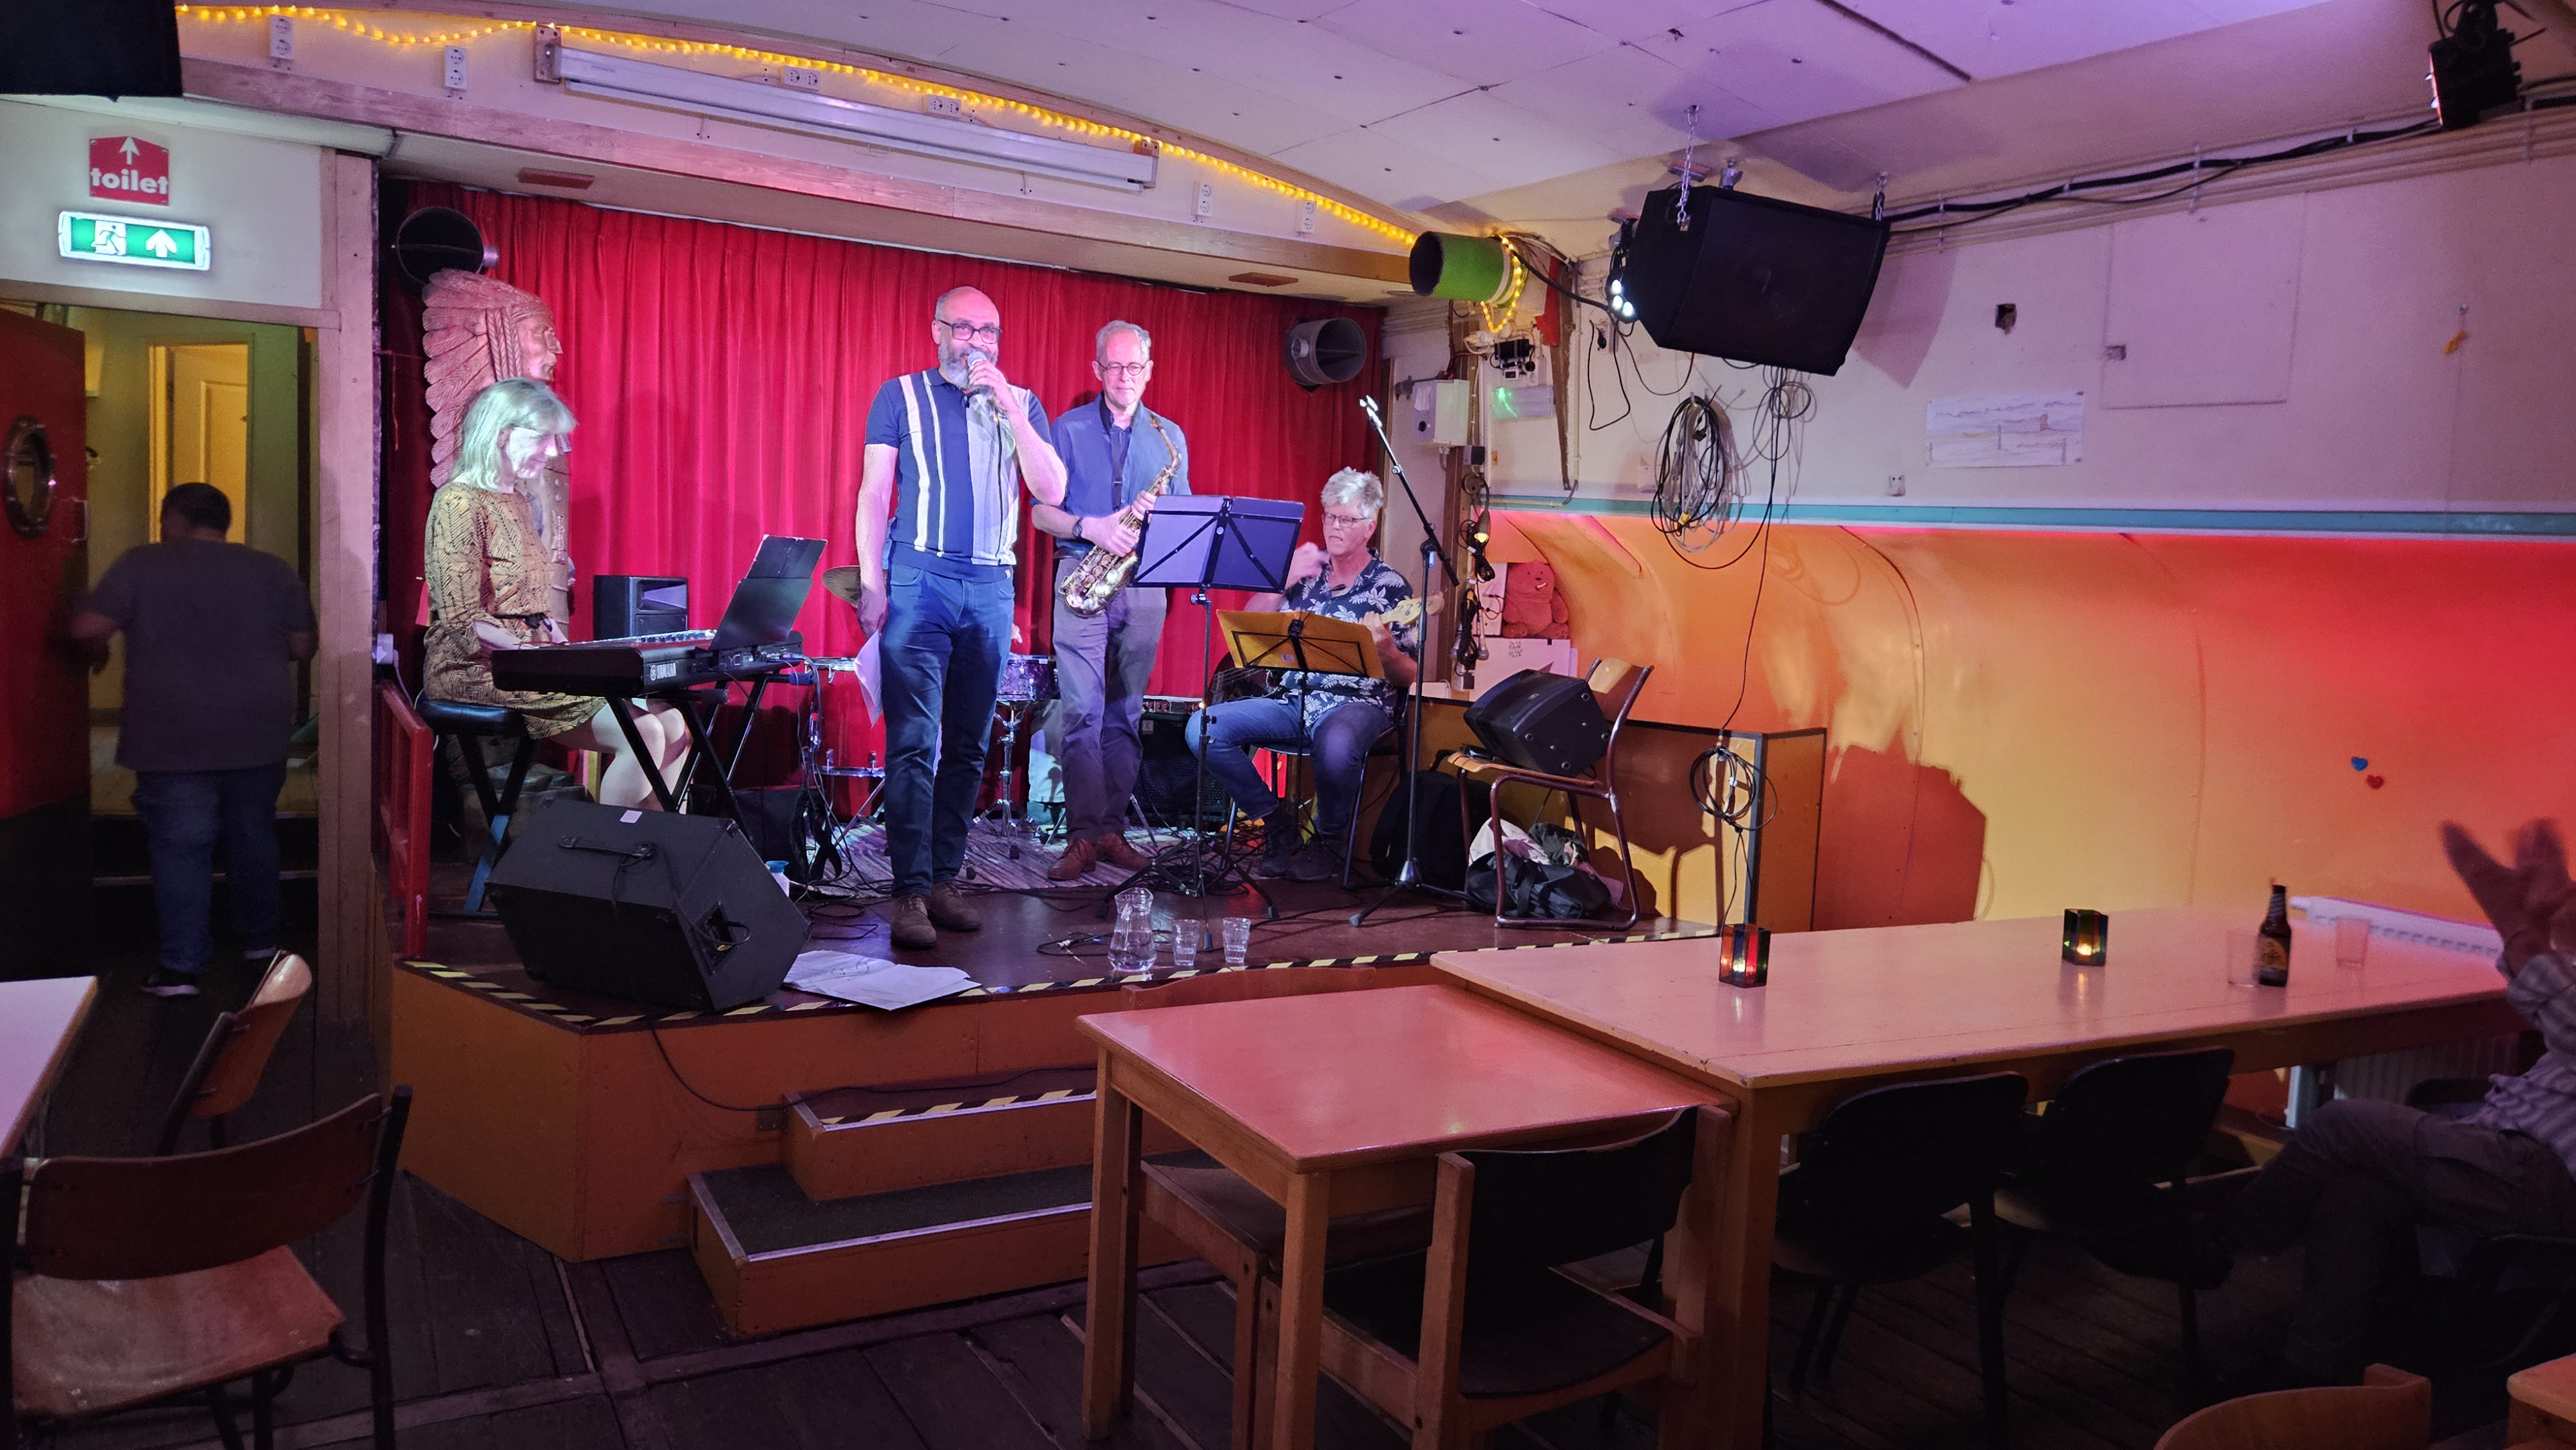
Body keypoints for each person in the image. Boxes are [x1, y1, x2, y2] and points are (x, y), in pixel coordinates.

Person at [2233, 818, 2576, 1384]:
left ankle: (2225, 1242)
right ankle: (2311, 1376)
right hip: (2505, 1140)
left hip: (2551, 1173)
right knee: (2356, 1192)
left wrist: (2518, 926)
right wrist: (2546, 923)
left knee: (2341, 1123)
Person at [853, 285, 1068, 948]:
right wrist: (871, 580)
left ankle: (945, 878)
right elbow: (874, 493)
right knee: (915, 740)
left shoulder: (1019, 402)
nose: (977, 342)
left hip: (990, 582)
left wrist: (1011, 407)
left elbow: (1052, 489)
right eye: (966, 329)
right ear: (938, 331)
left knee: (970, 743)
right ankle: (909, 890)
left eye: (989, 331)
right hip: (920, 577)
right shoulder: (899, 395)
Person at [70, 484, 316, 997]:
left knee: (181, 846)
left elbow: (87, 626)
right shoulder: (270, 570)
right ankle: (261, 947)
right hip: (255, 731)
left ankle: (182, 968)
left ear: (172, 519)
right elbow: (301, 645)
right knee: (253, 837)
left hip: (170, 735)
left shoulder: (142, 564)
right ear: (224, 522)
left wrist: (99, 647)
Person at [423, 378, 689, 812]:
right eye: (542, 438)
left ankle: (653, 846)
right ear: (502, 434)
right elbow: (462, 621)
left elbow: (527, 602)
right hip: (474, 669)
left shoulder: (517, 501)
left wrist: (557, 645)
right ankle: (607, 852)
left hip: (526, 662)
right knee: (644, 732)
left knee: (674, 726)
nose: (551, 451)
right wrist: (538, 660)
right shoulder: (459, 503)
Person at [1186, 467, 1417, 883]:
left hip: (1358, 704)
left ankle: (1328, 838)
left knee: (1336, 743)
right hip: (1292, 699)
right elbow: (1248, 632)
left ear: (1370, 526)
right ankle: (1276, 824)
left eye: (1346, 519)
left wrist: (1385, 650)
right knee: (1203, 728)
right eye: (1330, 516)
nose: (1334, 527)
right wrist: (1283, 578)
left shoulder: (1391, 587)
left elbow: (1408, 675)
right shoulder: (1305, 573)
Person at [1033, 319, 1188, 881]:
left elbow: (1184, 522)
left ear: (1150, 370)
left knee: (1126, 713)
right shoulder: (1067, 428)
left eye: (1135, 367)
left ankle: (1111, 831)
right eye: (1115, 366)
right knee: (1082, 712)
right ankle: (1081, 837)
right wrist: (1091, 527)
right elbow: (1040, 513)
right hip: (1081, 572)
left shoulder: (1170, 437)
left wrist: (1161, 517)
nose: (1125, 377)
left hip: (1144, 582)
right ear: (1097, 369)